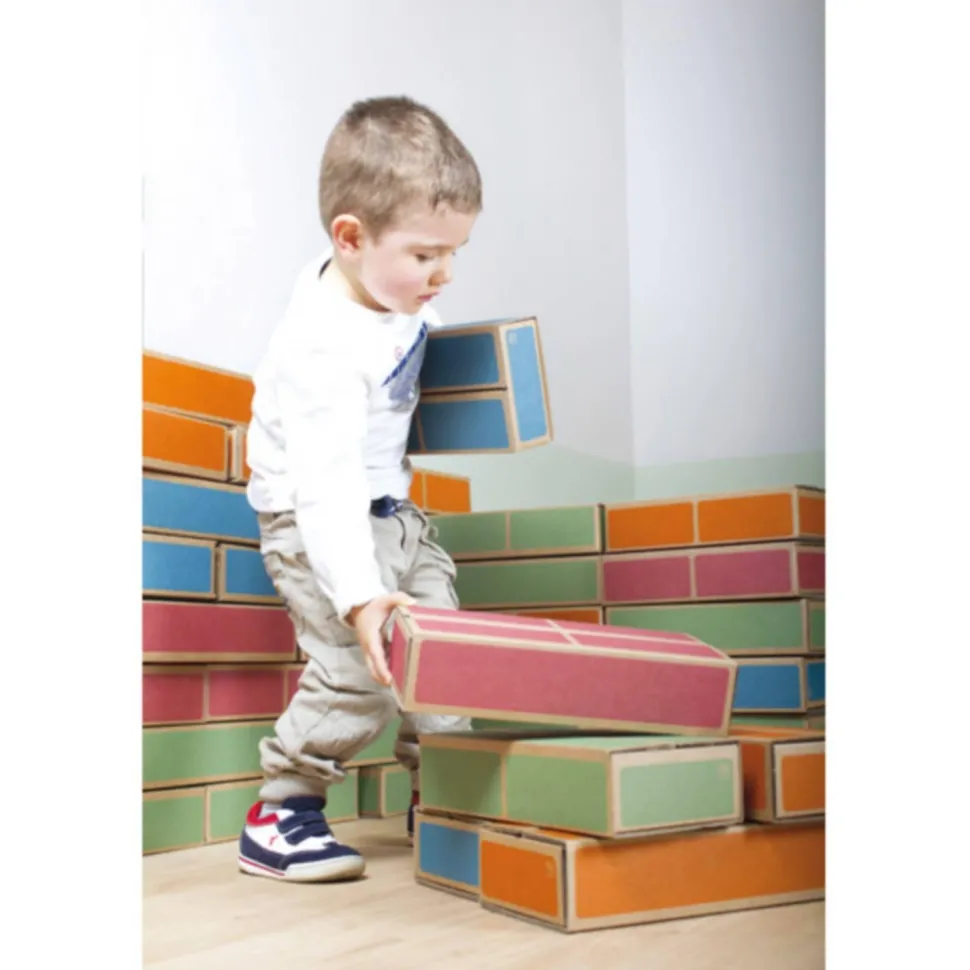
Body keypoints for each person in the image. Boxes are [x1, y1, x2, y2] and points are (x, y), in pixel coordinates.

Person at [238, 95, 482, 882]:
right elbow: (325, 488)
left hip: (393, 514)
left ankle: (443, 800)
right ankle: (282, 808)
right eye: (426, 254)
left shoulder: (393, 294)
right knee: (359, 673)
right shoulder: (320, 349)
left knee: (447, 660)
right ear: (349, 237)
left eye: (455, 252)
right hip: (319, 526)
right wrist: (360, 596)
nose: (443, 274)